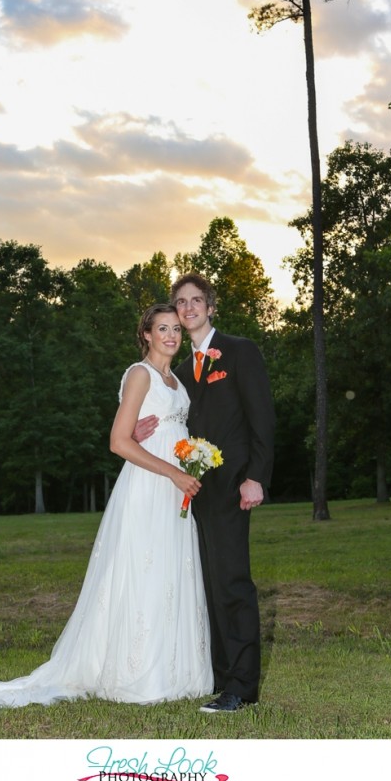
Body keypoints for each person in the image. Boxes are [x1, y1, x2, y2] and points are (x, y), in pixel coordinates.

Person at [0, 303, 213, 710]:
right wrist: (172, 472)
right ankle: (137, 673)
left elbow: (166, 429)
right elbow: (119, 441)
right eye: (162, 328)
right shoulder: (140, 375)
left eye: (176, 328)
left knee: (171, 571)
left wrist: (189, 463)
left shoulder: (176, 380)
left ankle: (177, 672)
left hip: (176, 488)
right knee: (144, 571)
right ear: (146, 334)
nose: (172, 336)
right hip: (149, 487)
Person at [135, 273, 274, 713]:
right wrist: (140, 434)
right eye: (181, 302)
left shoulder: (240, 351)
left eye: (197, 300)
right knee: (207, 585)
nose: (189, 308)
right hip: (193, 492)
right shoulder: (179, 374)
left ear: (211, 307)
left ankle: (242, 686)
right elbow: (173, 425)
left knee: (232, 582)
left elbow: (263, 418)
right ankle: (218, 674)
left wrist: (257, 476)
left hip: (233, 486)